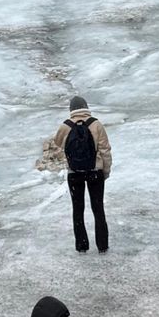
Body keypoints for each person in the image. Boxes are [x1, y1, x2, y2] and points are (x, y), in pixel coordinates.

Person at [50, 96, 112, 253]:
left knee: (78, 210)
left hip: (74, 173)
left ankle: (82, 246)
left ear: (71, 109)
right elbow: (105, 150)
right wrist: (106, 170)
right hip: (95, 172)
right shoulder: (96, 124)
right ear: (86, 106)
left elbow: (57, 145)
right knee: (98, 209)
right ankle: (102, 246)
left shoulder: (65, 126)